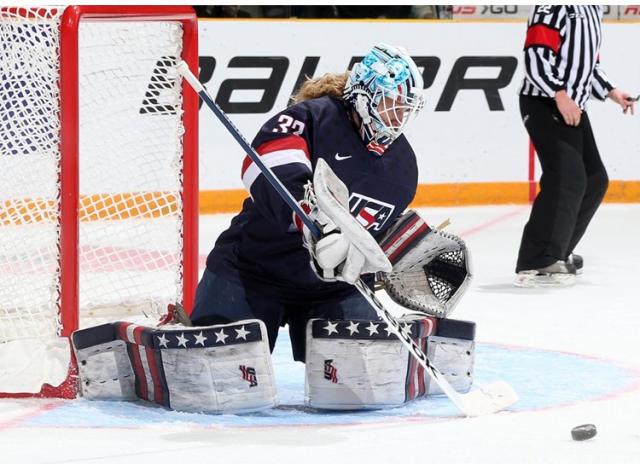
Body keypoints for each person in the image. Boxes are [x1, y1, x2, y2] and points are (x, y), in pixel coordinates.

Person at [190, 43, 425, 362]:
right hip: (252, 269)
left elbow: (374, 234)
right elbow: (266, 167)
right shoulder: (315, 118)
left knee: (358, 382)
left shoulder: (402, 168)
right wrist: (313, 218)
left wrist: (393, 255)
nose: (397, 117)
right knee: (220, 374)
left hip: (332, 288)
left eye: (404, 109)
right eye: (389, 103)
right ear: (364, 94)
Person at [515, 5, 635, 287]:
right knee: (566, 177)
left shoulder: (592, 9)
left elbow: (587, 65)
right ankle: (539, 258)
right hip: (545, 102)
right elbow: (536, 56)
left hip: (572, 105)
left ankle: (559, 249)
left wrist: (612, 92)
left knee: (594, 179)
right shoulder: (553, 6)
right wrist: (559, 95)